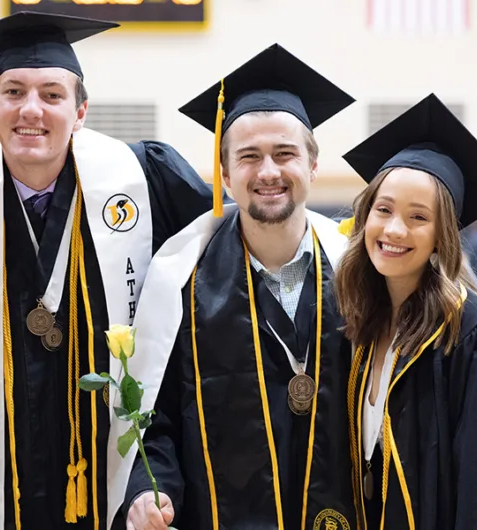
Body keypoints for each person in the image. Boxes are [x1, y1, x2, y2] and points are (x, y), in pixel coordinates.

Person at [0, 11, 216, 530]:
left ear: (81, 111)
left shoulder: (145, 180)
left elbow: (228, 257)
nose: (32, 109)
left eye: (52, 94)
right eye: (13, 92)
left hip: (118, 468)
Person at [120, 44, 359, 530]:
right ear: (225, 175)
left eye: (285, 154)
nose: (268, 171)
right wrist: (150, 490)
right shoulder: (180, 280)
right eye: (249, 157)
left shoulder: (362, 273)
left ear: (312, 166)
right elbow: (154, 418)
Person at [334, 93, 477, 529]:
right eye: (384, 209)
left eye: (418, 217)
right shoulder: (355, 326)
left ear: (441, 235)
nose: (394, 229)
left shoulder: (474, 334)